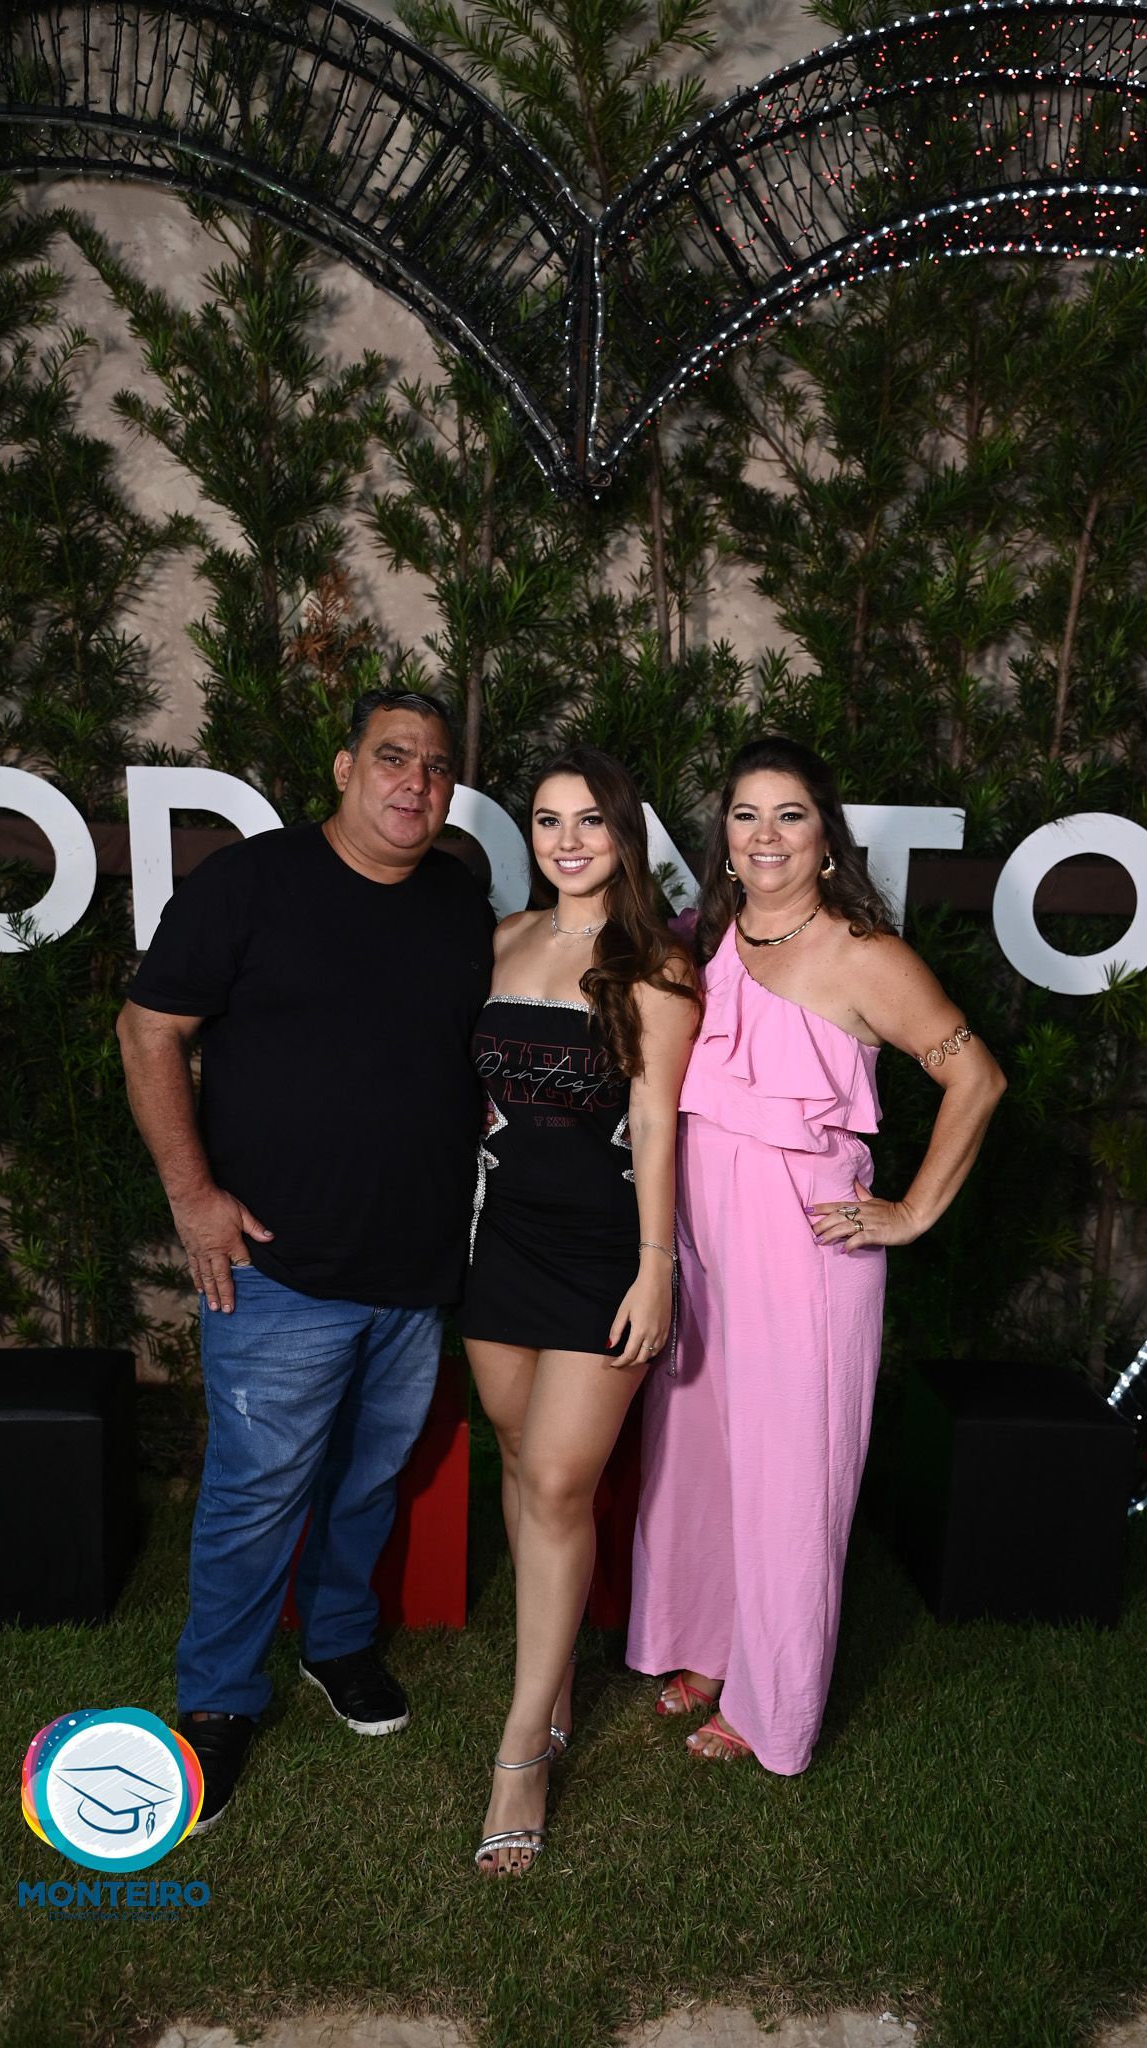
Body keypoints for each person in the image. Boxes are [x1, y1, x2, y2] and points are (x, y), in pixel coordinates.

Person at [116, 688, 494, 1828]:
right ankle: (218, 1698)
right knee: (255, 1494)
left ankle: (336, 1642)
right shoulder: (250, 882)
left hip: (412, 1266)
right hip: (277, 1265)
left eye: (436, 766)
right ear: (343, 766)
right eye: (392, 756)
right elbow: (148, 1029)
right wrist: (193, 1199)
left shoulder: (458, 900)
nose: (415, 782)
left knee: (368, 1479)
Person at [627, 736, 1005, 1772]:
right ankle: (710, 1645)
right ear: (723, 835)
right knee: (702, 1453)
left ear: (825, 837)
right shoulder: (708, 936)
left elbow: (975, 1077)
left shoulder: (862, 953)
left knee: (791, 1476)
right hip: (703, 1238)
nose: (765, 836)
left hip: (802, 1253)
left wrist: (910, 1211)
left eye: (788, 814)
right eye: (745, 814)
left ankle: (772, 1704)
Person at [459, 745, 699, 1874]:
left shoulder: (656, 964)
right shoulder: (501, 940)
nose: (566, 840)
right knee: (518, 1458)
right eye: (548, 820)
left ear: (624, 835)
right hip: (497, 1243)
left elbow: (655, 1124)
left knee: (559, 1479)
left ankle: (521, 1752)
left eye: (589, 820)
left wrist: (656, 1267)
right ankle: (550, 1680)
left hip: (603, 1252)